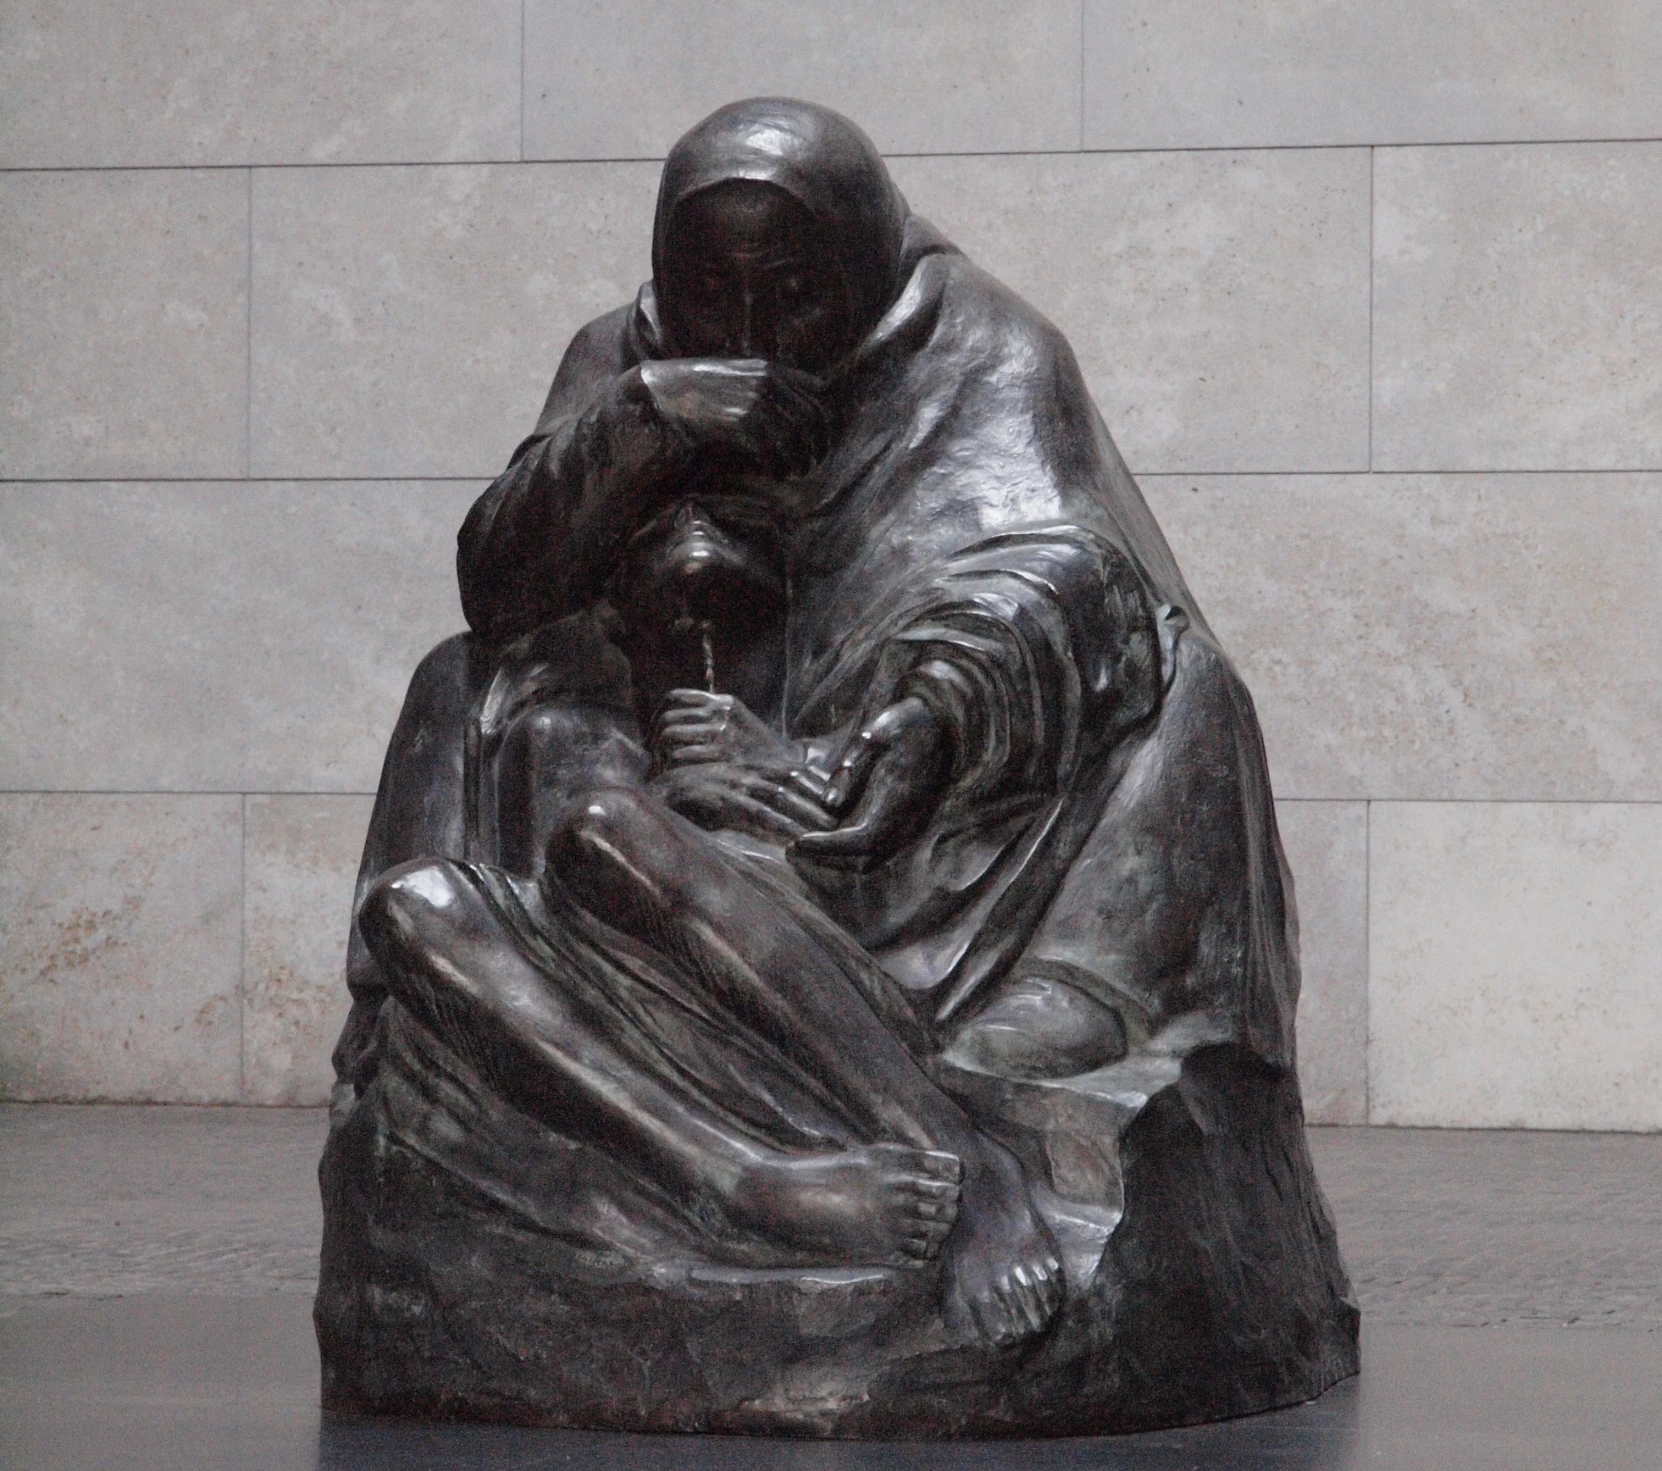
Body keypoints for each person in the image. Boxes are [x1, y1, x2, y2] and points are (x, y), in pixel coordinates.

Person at [338, 99, 1299, 1354]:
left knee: (1185, 694)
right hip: (655, 758)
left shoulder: (981, 348)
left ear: (859, 266)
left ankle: (926, 1099)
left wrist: (914, 721)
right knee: (470, 780)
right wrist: (645, 420)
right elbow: (504, 582)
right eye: (707, 291)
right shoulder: (627, 356)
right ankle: (755, 1172)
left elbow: (1060, 567)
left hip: (878, 777)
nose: (749, 334)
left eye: (790, 294)